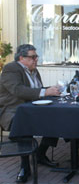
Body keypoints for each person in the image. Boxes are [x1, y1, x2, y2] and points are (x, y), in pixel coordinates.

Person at [0, 44, 60, 183]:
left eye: (36, 56)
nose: (36, 59)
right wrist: (45, 91)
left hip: (33, 109)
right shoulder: (11, 69)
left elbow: (36, 90)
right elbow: (18, 90)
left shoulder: (33, 70)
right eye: (33, 57)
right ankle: (25, 167)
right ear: (22, 58)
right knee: (24, 123)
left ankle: (40, 153)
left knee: (57, 118)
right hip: (12, 110)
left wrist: (52, 89)